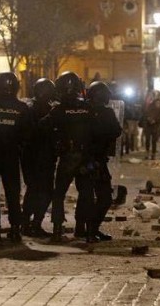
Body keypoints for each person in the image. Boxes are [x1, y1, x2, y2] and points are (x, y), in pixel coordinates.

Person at [42, 71, 95, 243]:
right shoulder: (88, 107)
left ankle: (57, 229)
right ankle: (84, 230)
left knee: (59, 194)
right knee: (86, 192)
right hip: (86, 156)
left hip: (67, 156)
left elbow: (43, 126)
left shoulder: (58, 110)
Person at [0, 72, 32, 242]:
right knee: (12, 193)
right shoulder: (22, 108)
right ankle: (15, 229)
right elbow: (27, 136)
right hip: (11, 156)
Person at [86, 81, 122, 241]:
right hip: (96, 161)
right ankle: (91, 231)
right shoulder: (106, 113)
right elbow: (116, 131)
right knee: (104, 197)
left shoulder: (83, 110)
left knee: (85, 197)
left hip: (81, 159)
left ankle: (87, 230)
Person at [21, 78, 57, 238]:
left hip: (45, 155)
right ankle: (29, 223)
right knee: (38, 190)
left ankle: (32, 222)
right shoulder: (32, 109)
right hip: (35, 155)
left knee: (42, 191)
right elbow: (31, 132)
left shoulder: (47, 108)